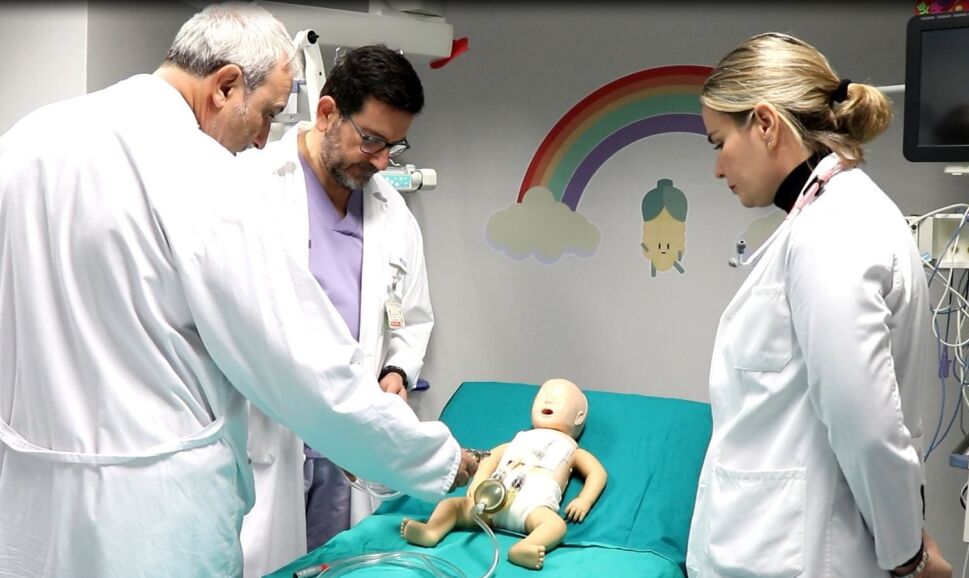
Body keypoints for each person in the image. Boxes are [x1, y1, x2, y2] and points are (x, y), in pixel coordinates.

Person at [0, 4, 477, 578]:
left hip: (31, 501)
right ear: (225, 86)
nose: (260, 139)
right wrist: (440, 459)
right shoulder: (201, 173)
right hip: (152, 517)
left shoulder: (27, 139)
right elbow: (301, 363)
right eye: (269, 112)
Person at [687, 33, 953, 578]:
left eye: (719, 142)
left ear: (765, 123)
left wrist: (908, 557)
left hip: (805, 556)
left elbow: (865, 422)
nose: (717, 168)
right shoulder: (825, 219)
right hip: (778, 547)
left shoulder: (836, 229)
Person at [238, 45, 437, 576]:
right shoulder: (253, 186)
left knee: (342, 563)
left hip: (348, 441)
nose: (382, 161)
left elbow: (413, 317)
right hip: (270, 434)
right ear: (327, 113)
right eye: (371, 140)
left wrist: (397, 371)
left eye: (394, 146)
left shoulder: (393, 213)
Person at [401, 378, 608, 570]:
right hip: (492, 500)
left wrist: (584, 500)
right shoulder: (519, 439)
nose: (547, 400)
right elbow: (490, 458)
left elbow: (597, 472)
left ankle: (525, 547)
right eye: (541, 397)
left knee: (555, 525)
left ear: (579, 417)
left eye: (558, 399)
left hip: (532, 507)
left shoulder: (571, 450)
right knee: (452, 506)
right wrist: (480, 480)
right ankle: (432, 530)